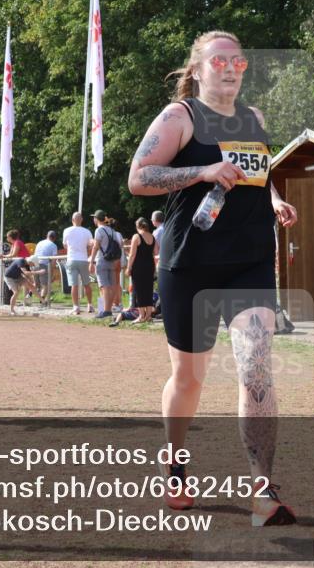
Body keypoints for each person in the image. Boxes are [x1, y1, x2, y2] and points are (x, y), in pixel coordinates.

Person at [128, 30, 299, 526]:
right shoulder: (179, 117)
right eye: (219, 60)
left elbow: (252, 176)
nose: (230, 67)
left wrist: (274, 199)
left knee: (256, 366)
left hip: (248, 260)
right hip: (190, 263)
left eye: (238, 61)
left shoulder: (255, 120)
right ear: (198, 70)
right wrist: (202, 171)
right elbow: (139, 179)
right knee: (189, 377)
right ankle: (175, 462)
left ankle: (262, 490)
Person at [89, 210, 122, 319]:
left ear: (96, 219)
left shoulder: (99, 230)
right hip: (112, 260)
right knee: (112, 285)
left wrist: (91, 261)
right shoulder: (112, 230)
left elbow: (96, 246)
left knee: (104, 285)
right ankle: (109, 309)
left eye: (94, 218)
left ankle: (107, 310)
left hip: (102, 260)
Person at [126, 217, 159, 322]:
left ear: (138, 226)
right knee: (148, 290)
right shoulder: (152, 236)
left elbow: (132, 255)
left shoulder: (137, 236)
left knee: (139, 290)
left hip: (138, 267)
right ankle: (148, 316)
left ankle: (141, 316)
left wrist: (128, 267)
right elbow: (156, 251)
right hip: (150, 266)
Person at [63, 212, 94, 314]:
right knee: (87, 284)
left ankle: (76, 307)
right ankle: (90, 305)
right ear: (81, 220)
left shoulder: (66, 230)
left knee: (74, 285)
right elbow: (90, 246)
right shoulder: (87, 232)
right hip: (83, 259)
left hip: (71, 259)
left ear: (72, 220)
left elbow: (65, 245)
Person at [33, 230, 60, 302]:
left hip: (35, 263)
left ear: (47, 236)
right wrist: (51, 270)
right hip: (44, 264)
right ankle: (42, 300)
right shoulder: (53, 245)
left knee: (36, 284)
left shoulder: (39, 243)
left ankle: (28, 296)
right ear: (54, 238)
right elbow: (54, 260)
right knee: (45, 285)